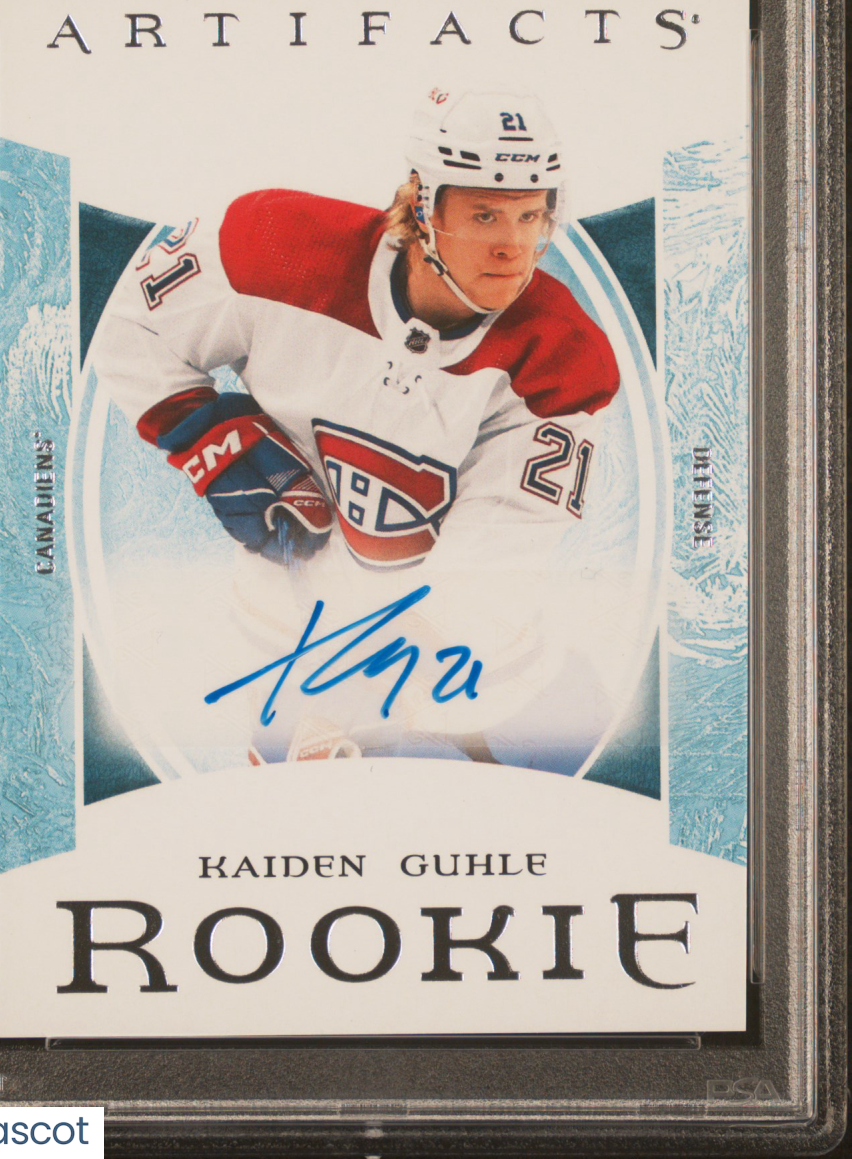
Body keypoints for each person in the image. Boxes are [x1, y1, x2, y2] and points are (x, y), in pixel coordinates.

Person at [93, 87, 621, 765]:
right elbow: (131, 327)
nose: (513, 248)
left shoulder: (560, 356)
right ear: (422, 205)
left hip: (477, 669)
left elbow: (489, 560)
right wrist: (209, 443)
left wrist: (353, 695)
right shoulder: (275, 245)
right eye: (485, 215)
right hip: (286, 637)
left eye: (530, 215)